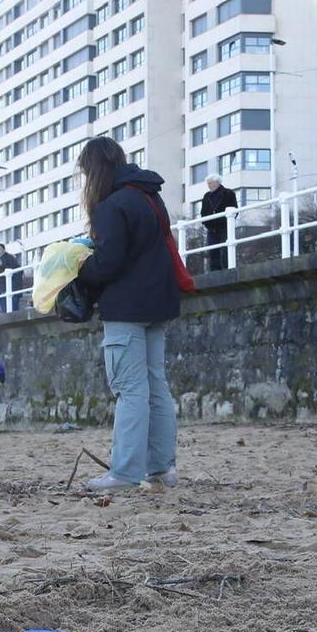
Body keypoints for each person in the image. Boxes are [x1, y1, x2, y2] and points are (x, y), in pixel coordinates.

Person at [75, 136, 181, 491]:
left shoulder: (111, 206)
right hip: (159, 302)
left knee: (130, 390)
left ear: (94, 170)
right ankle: (161, 468)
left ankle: (124, 472)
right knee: (155, 387)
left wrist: (80, 267)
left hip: (126, 306)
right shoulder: (150, 196)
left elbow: (108, 264)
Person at [197, 175, 240, 274]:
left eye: (210, 183)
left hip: (224, 226)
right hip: (212, 228)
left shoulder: (228, 193)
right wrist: (206, 223)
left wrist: (226, 221)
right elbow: (203, 211)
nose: (209, 186)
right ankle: (215, 272)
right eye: (208, 183)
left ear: (217, 182)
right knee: (213, 250)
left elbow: (234, 209)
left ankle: (228, 268)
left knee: (226, 248)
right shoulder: (207, 196)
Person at [0, 243, 18, 313]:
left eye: (0, 249)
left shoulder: (9, 257)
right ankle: (5, 312)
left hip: (8, 282)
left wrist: (1, 265)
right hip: (0, 283)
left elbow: (14, 267)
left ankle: (8, 312)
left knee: (9, 300)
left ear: (4, 249)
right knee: (2, 301)